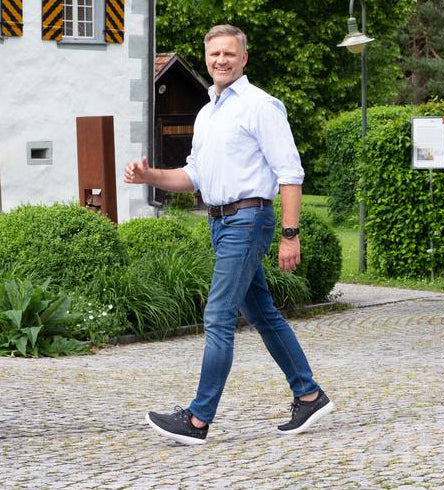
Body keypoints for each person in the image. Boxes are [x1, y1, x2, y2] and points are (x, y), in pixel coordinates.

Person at [124, 24, 335, 445]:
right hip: (219, 222)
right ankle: (308, 394)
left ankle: (198, 420)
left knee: (218, 317)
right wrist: (151, 176)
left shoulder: (261, 106)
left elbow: (290, 174)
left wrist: (290, 235)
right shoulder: (208, 113)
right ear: (207, 59)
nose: (221, 60)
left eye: (229, 53)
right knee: (261, 313)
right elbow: (193, 175)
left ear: (244, 59)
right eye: (214, 53)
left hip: (248, 219)